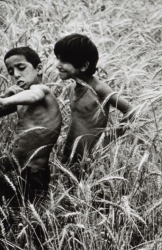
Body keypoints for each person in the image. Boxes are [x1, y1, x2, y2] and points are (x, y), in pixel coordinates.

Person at [0, 46, 62, 231]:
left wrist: (4, 101)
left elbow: (35, 94)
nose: (16, 74)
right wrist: (6, 96)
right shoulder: (19, 100)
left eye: (21, 68)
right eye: (10, 71)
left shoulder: (43, 91)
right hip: (13, 170)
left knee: (30, 223)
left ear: (38, 69)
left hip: (33, 174)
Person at [54, 33, 133, 167]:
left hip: (89, 158)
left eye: (64, 61)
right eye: (58, 59)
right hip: (69, 154)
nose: (57, 65)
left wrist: (108, 139)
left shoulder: (99, 88)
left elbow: (130, 111)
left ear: (84, 66)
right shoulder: (73, 87)